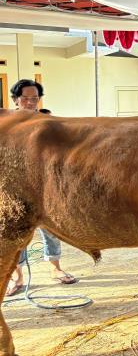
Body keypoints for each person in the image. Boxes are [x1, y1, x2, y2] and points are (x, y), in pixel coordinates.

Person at [5, 79, 78, 297]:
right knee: (16, 235)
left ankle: (56, 269)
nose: (30, 102)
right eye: (25, 98)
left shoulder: (47, 121)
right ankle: (17, 278)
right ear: (16, 100)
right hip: (15, 188)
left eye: (34, 98)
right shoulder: (8, 123)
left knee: (52, 231)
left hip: (45, 187)